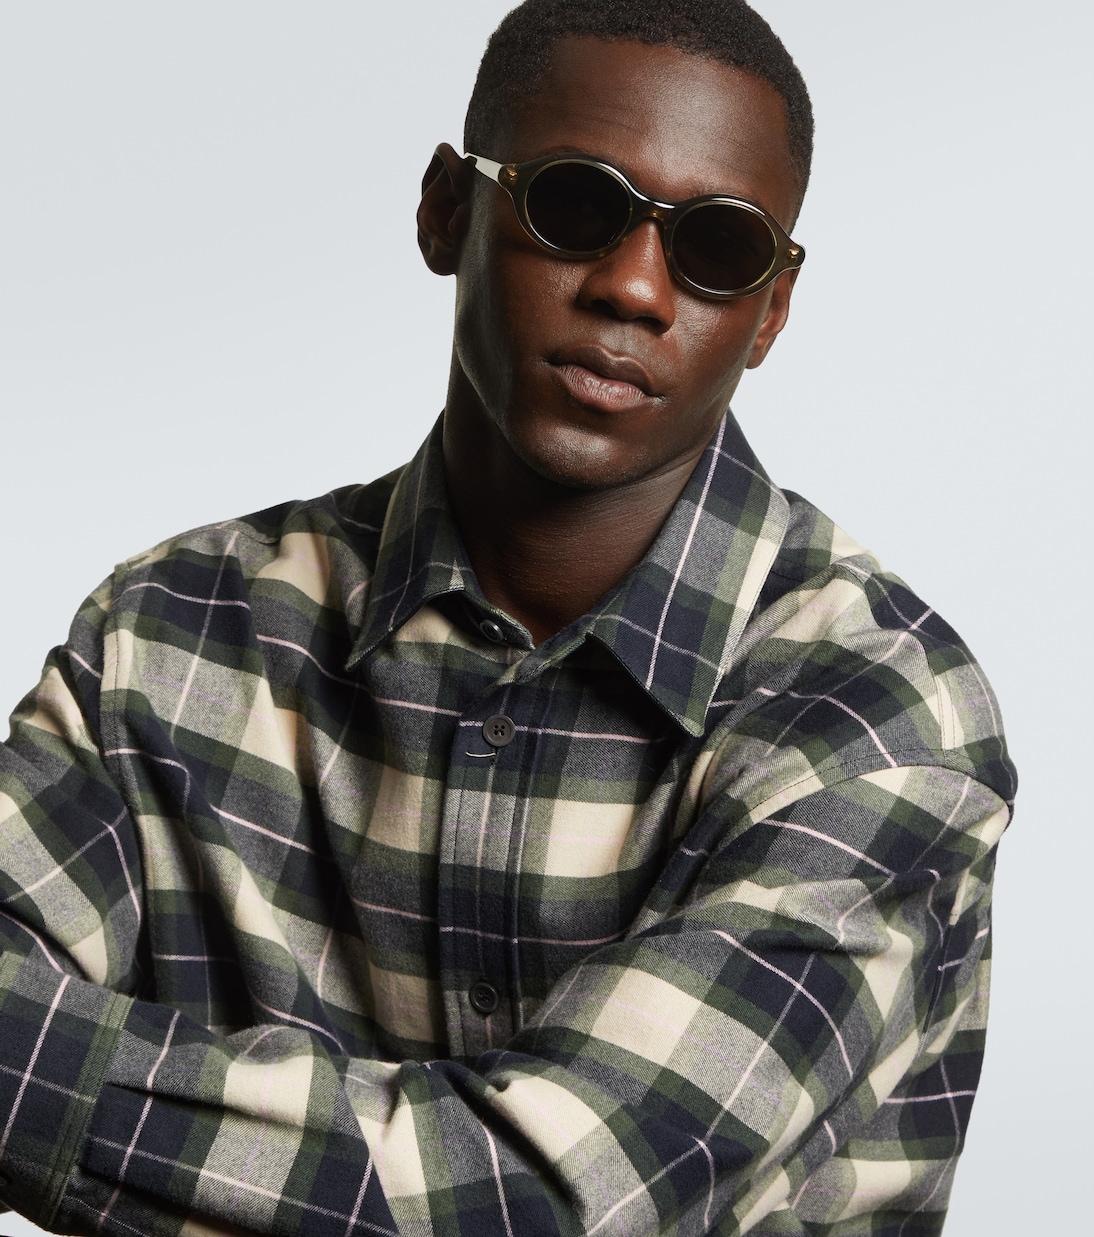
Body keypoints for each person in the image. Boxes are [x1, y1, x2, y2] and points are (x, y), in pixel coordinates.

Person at [0, 1, 1018, 1233]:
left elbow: (543, 1204)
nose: (632, 287)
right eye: (576, 205)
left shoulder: (875, 717)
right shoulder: (169, 633)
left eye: (716, 248)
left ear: (769, 311)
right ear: (446, 210)